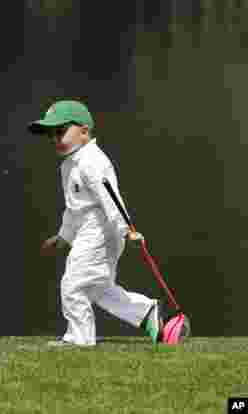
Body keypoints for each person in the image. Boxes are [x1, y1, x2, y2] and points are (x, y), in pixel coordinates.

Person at [29, 100, 159, 346]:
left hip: (101, 231)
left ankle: (80, 338)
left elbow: (111, 200)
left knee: (73, 284)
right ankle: (147, 313)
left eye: (61, 131)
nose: (55, 139)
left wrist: (126, 230)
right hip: (90, 231)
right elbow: (73, 208)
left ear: (84, 131)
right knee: (97, 288)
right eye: (51, 135)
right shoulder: (70, 164)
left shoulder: (92, 162)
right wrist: (63, 237)